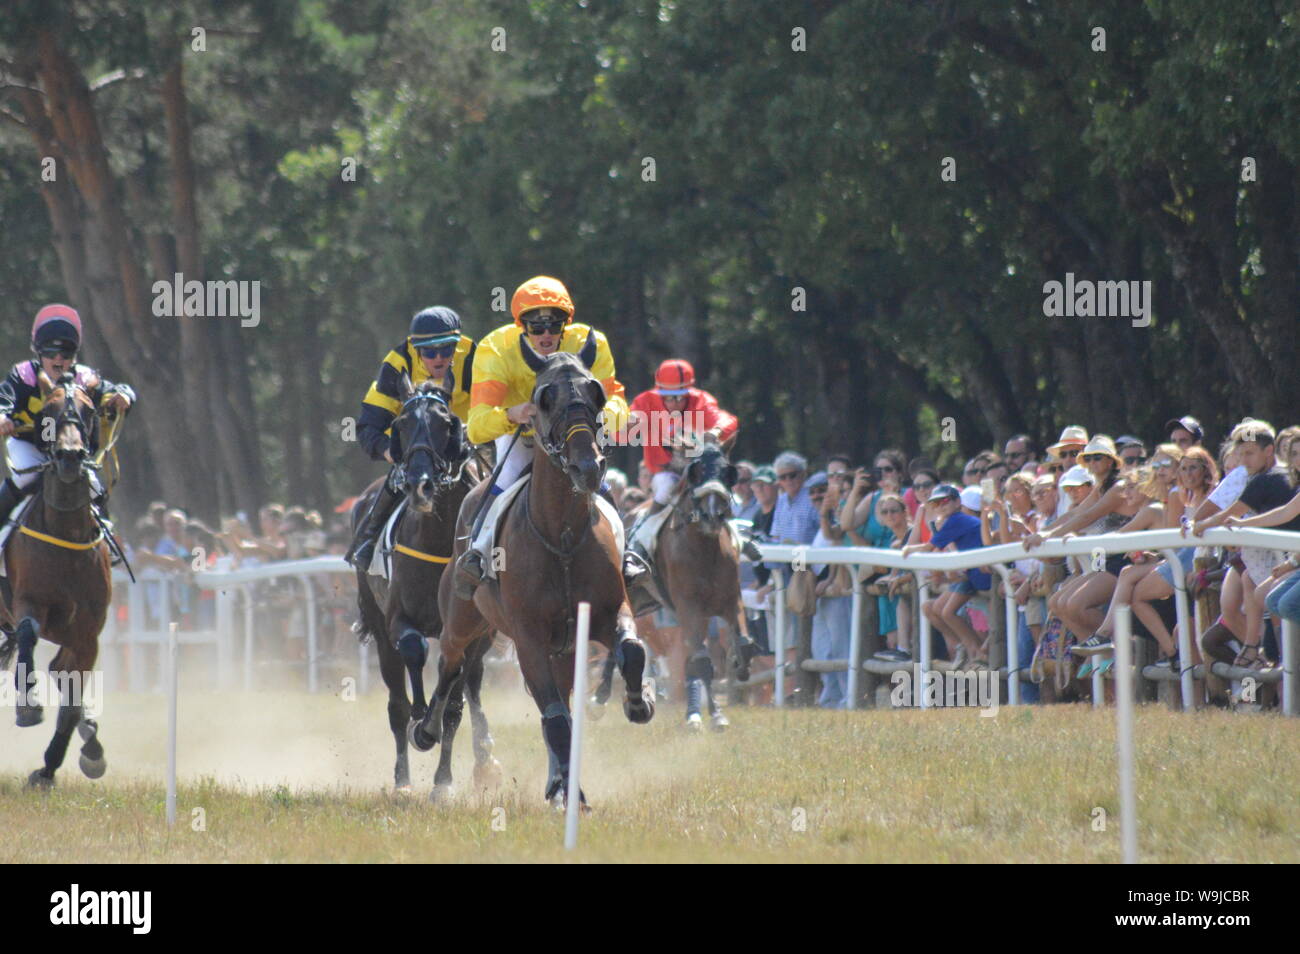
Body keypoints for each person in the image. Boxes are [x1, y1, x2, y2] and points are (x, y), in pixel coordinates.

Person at [452, 276, 629, 597]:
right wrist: (510, 414)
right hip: (520, 431)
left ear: (567, 323)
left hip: (571, 432)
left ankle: (626, 557)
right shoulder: (496, 347)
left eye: (555, 324)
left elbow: (616, 401)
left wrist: (598, 417)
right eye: (536, 326)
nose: (547, 334)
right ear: (521, 325)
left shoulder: (593, 343)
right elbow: (477, 425)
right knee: (504, 479)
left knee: (596, 477)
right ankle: (478, 554)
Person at [345, 305, 476, 568]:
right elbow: (368, 427)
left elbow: (493, 406)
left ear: (457, 346)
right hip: (416, 443)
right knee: (403, 473)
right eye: (429, 352)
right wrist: (390, 452)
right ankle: (368, 537)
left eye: (446, 350)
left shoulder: (475, 358)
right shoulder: (396, 364)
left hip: (469, 436)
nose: (438, 358)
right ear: (416, 350)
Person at [0, 304, 134, 542]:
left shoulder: (86, 379)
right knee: (24, 478)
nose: (59, 358)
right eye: (51, 352)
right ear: (39, 354)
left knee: (94, 485)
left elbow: (114, 391)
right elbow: (4, 399)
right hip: (31, 444)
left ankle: (107, 538)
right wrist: (2, 416)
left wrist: (124, 395)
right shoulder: (24, 375)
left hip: (70, 448)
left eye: (67, 353)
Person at [621, 358, 738, 513]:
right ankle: (647, 526)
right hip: (665, 472)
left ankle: (733, 532)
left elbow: (728, 420)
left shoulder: (701, 401)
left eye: (680, 396)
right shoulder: (645, 402)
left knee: (720, 493)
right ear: (659, 392)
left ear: (689, 392)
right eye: (669, 397)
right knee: (665, 489)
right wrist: (626, 425)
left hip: (699, 470)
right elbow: (618, 434)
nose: (675, 402)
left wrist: (715, 431)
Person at [902, 484, 992, 668]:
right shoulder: (954, 520)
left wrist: (909, 549)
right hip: (972, 573)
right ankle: (969, 649)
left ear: (958, 502)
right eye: (936, 503)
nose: (941, 506)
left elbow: (929, 548)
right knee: (936, 609)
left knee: (947, 612)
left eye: (945, 501)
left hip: (979, 575)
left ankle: (973, 650)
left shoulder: (956, 520)